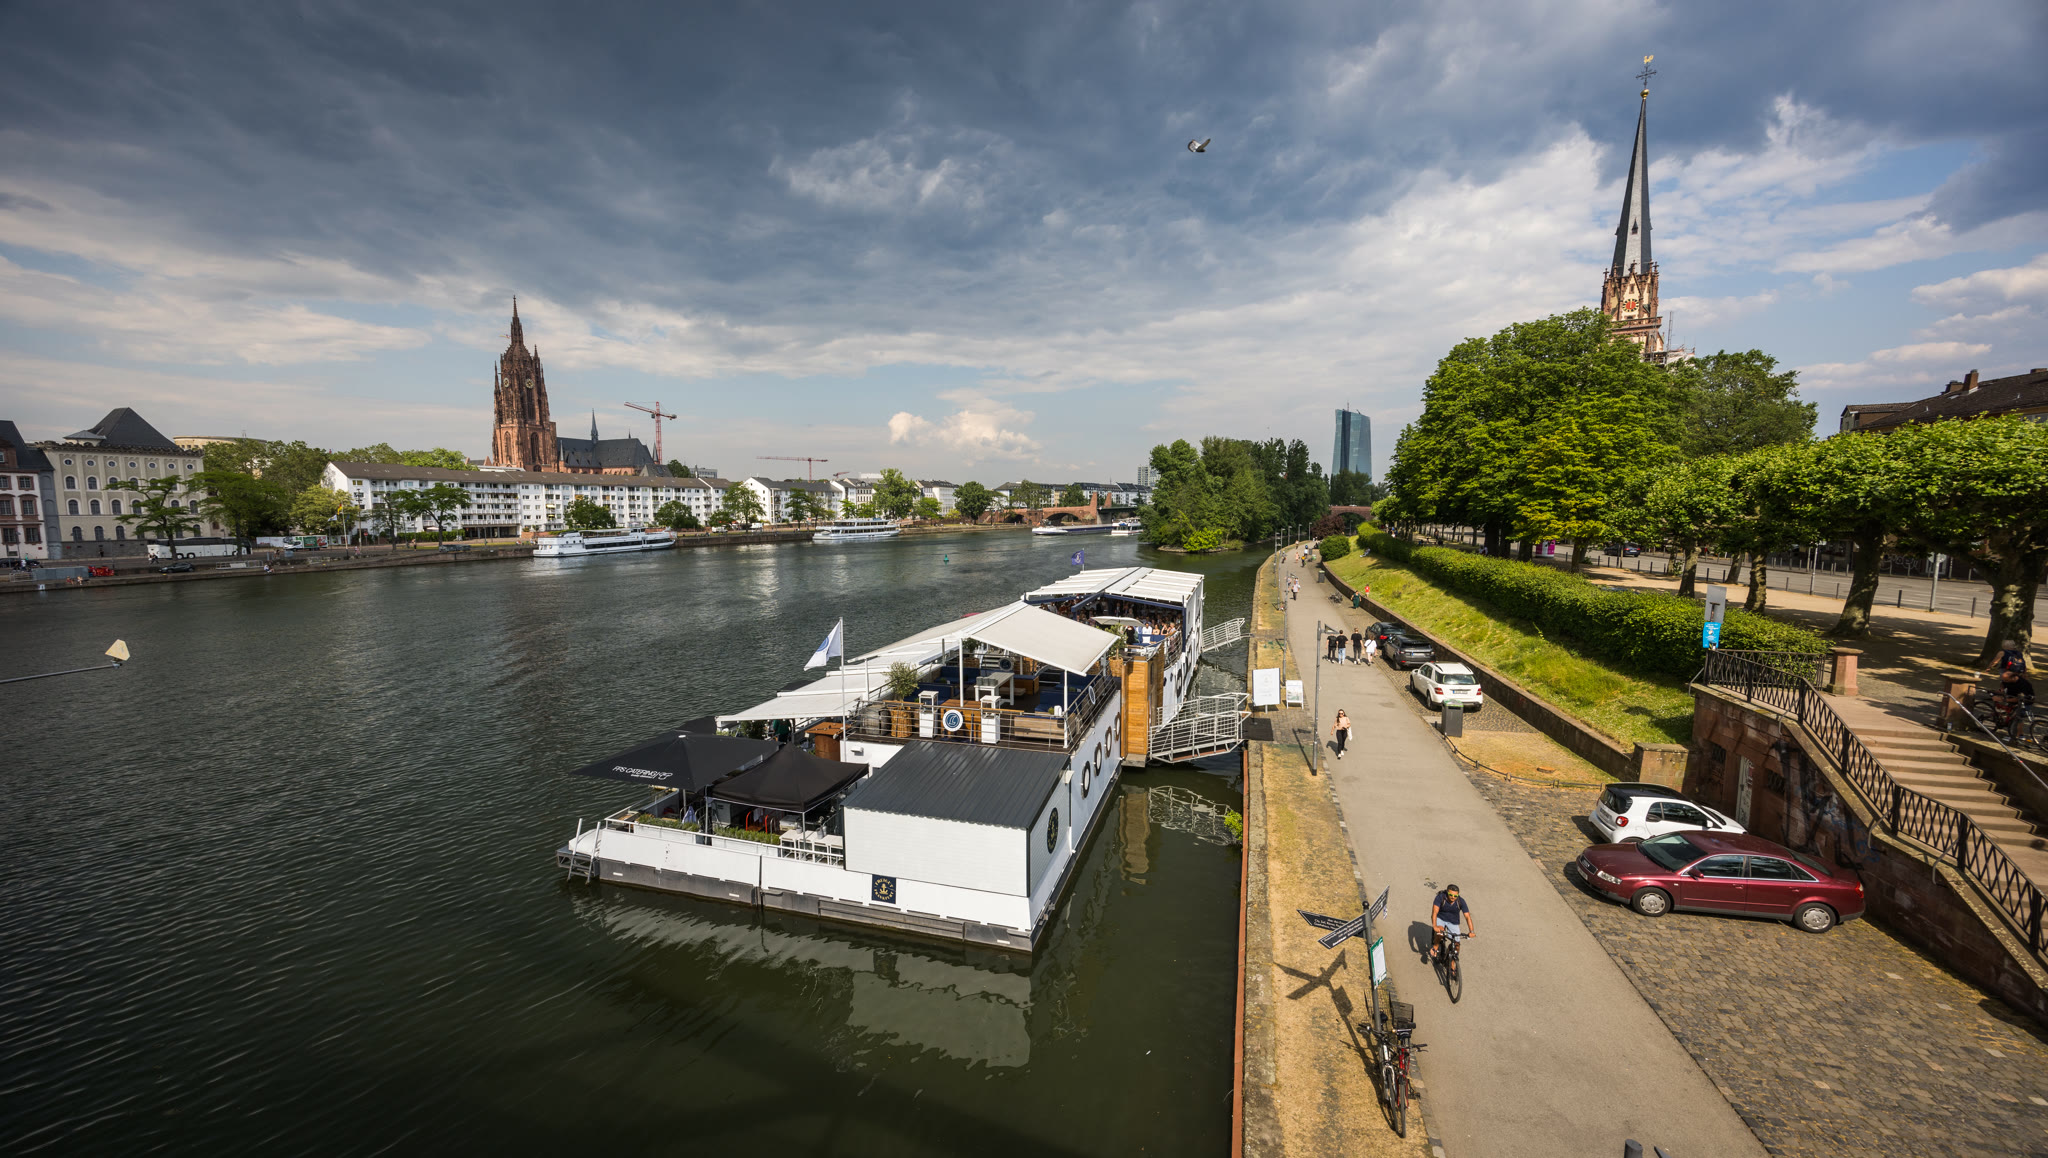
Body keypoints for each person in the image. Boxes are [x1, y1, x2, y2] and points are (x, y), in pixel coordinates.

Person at [1429, 883, 1474, 964]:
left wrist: (1471, 931)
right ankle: (1435, 947)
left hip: (1453, 921)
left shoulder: (1461, 901)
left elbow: (1467, 916)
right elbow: (1435, 912)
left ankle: (1453, 965)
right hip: (1440, 918)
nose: (1453, 897)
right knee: (1440, 932)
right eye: (1451, 895)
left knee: (1457, 944)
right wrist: (1435, 926)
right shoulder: (1440, 897)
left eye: (1455, 896)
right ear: (1447, 892)